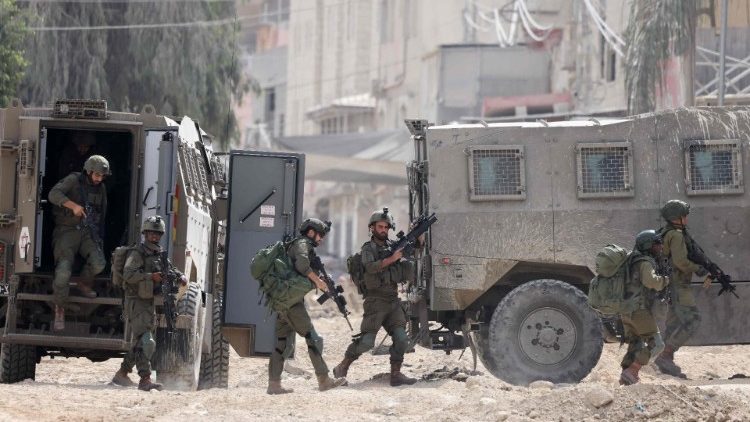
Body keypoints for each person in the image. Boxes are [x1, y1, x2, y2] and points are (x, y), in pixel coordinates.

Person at [333, 208, 419, 387]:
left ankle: (395, 374)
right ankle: (342, 367)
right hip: (376, 301)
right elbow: (371, 267)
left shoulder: (392, 246)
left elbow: (409, 257)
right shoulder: (368, 248)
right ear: (372, 228)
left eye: (386, 227)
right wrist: (392, 259)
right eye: (380, 226)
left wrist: (417, 240)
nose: (383, 230)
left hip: (393, 300)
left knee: (402, 338)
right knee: (366, 342)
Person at [267, 218, 347, 395]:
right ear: (311, 232)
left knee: (282, 343)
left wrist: (321, 280)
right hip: (290, 302)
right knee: (313, 338)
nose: (322, 240)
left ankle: (274, 384)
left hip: (283, 300)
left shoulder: (296, 244)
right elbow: (302, 265)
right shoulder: (303, 243)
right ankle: (324, 380)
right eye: (321, 236)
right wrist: (318, 282)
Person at [112, 215, 186, 391]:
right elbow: (128, 274)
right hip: (136, 301)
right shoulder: (137, 253)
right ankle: (144, 379)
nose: (154, 236)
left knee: (141, 340)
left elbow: (169, 269)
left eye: (158, 234)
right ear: (145, 233)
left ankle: (122, 373)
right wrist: (150, 277)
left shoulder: (158, 252)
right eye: (151, 233)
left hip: (148, 301)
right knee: (147, 341)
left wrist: (180, 275)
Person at [47, 154, 110, 331]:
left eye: (102, 176)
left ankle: (83, 282)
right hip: (66, 231)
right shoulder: (74, 180)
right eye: (97, 175)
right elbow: (53, 194)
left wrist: (99, 235)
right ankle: (60, 308)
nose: (99, 179)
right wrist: (72, 206)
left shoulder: (101, 188)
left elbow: (102, 214)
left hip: (87, 232)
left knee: (99, 263)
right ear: (89, 171)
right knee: (63, 271)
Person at [654, 199, 708, 378]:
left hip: (670, 284)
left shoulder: (664, 233)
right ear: (677, 218)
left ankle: (664, 362)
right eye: (684, 215)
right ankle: (665, 356)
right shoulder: (676, 235)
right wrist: (700, 269)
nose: (687, 218)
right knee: (693, 320)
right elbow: (681, 262)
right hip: (679, 286)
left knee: (673, 322)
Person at [619, 230, 670, 385]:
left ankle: (625, 376)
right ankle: (632, 370)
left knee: (636, 343)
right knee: (657, 344)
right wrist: (665, 280)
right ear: (648, 245)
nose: (660, 246)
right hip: (639, 310)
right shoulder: (645, 262)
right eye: (657, 243)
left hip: (625, 311)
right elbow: (651, 282)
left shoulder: (630, 260)